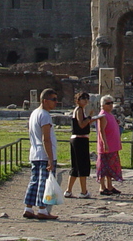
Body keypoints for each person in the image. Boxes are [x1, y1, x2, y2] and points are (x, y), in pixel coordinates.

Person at [23, 89, 59, 220]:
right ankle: (43, 210)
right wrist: (50, 158)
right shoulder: (44, 115)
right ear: (45, 101)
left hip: (35, 152)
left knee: (34, 181)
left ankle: (28, 207)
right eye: (53, 99)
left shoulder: (34, 113)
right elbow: (46, 138)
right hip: (44, 154)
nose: (56, 102)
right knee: (44, 182)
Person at [64, 92, 94, 199]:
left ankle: (68, 190)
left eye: (87, 98)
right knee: (82, 166)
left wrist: (90, 119)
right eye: (83, 98)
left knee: (76, 167)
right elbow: (81, 124)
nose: (85, 100)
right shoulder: (79, 110)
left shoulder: (79, 110)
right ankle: (83, 191)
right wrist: (90, 117)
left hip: (77, 140)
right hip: (80, 140)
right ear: (77, 100)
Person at [95, 95, 124, 196]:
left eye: (112, 102)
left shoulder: (109, 114)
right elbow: (101, 131)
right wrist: (104, 144)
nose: (111, 105)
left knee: (110, 167)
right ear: (102, 105)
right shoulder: (102, 115)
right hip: (106, 146)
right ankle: (102, 187)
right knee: (103, 167)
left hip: (113, 145)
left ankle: (110, 186)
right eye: (108, 103)